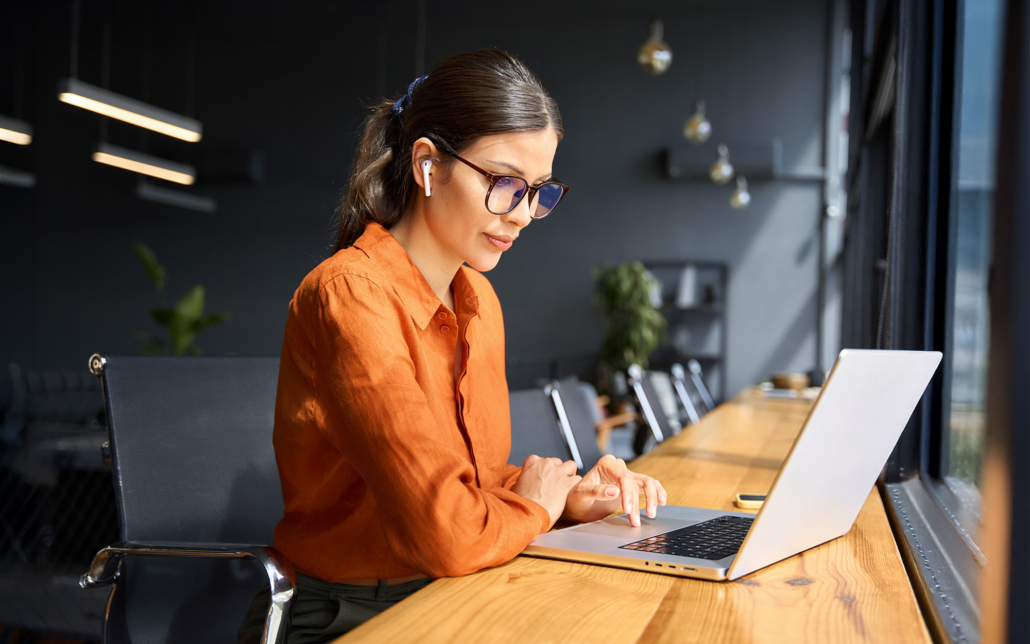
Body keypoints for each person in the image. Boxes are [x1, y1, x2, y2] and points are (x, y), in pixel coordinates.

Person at [239, 49, 666, 644]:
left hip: (454, 590)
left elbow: (467, 481)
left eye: (538, 191)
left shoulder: (479, 301)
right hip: (352, 615)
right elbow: (445, 531)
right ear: (428, 165)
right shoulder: (351, 295)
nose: (522, 215)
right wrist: (537, 509)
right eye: (503, 183)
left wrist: (568, 495)